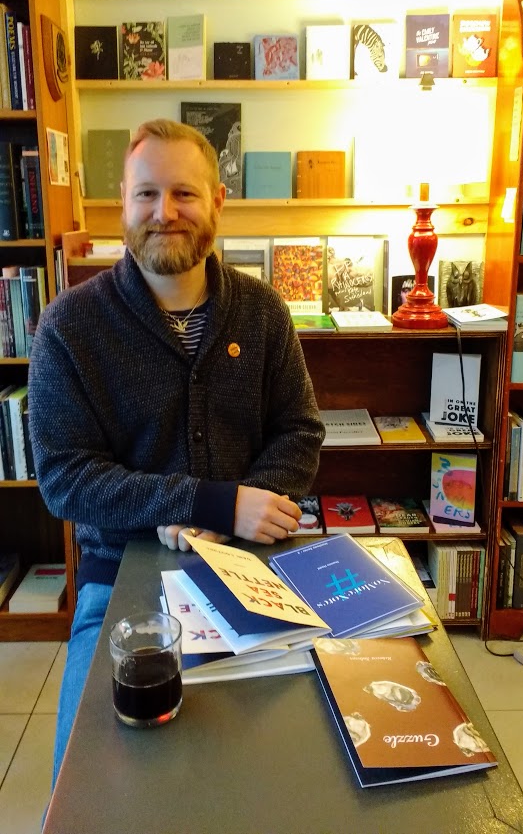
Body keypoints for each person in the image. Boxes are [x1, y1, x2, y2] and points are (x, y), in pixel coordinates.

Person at [28, 118, 325, 788]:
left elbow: (300, 431)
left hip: (248, 569)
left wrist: (232, 516)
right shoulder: (69, 326)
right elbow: (65, 477)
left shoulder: (263, 312)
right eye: (147, 194)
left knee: (282, 773)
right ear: (122, 203)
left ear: (218, 200)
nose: (165, 212)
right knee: (89, 792)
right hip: (117, 576)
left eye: (184, 193)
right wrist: (209, 501)